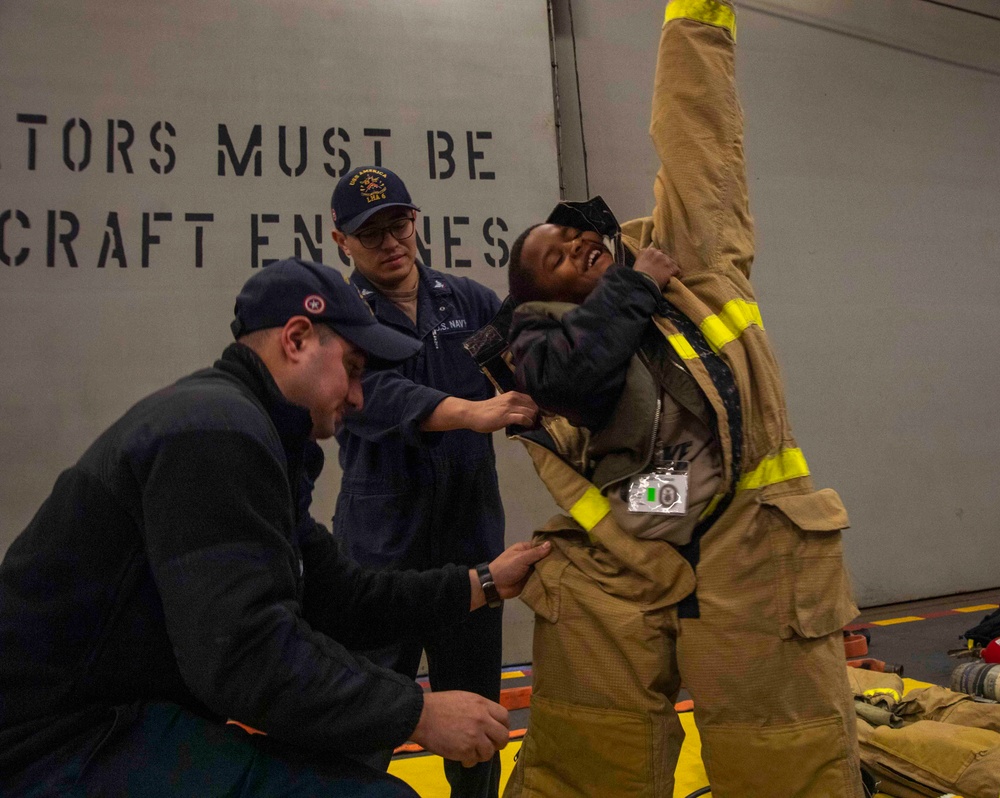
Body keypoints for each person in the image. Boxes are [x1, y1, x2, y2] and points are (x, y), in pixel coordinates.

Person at [0, 257, 550, 797]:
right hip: (59, 743)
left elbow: (338, 596)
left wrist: (484, 583)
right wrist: (418, 714)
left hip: (125, 716)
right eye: (355, 370)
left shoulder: (251, 434)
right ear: (296, 340)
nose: (358, 396)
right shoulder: (214, 434)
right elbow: (244, 653)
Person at [497, 3, 864, 796]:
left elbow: (698, 123)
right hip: (619, 559)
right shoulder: (539, 349)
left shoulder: (688, 256)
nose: (579, 246)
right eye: (556, 257)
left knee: (787, 754)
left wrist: (694, 17)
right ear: (537, 298)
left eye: (577, 238)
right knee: (588, 759)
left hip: (755, 549)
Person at [328, 166, 537, 796]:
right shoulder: (341, 317)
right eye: (372, 235)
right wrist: (473, 413)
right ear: (341, 241)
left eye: (400, 225)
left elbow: (525, 362)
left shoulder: (467, 302)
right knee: (365, 723)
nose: (392, 243)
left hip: (471, 542)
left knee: (477, 727)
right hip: (384, 555)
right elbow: (375, 396)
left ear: (415, 222)